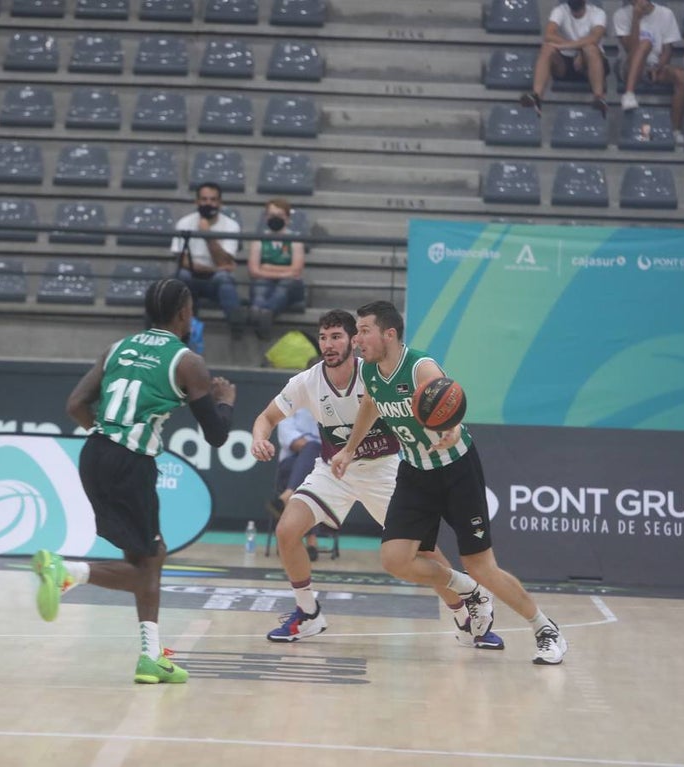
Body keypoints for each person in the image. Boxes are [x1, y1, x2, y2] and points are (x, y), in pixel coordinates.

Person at [328, 301, 567, 665]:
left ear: (389, 334)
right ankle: (468, 591)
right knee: (395, 559)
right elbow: (371, 405)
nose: (357, 339)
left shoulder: (420, 365)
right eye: (357, 331)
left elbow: (448, 402)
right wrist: (348, 450)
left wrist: (452, 430)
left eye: (364, 330)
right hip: (414, 473)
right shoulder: (372, 373)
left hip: (456, 469)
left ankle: (545, 628)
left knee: (483, 565)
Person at [250, 310, 503, 649]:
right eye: (323, 337)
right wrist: (259, 438)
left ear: (354, 340)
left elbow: (430, 395)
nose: (328, 344)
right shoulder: (306, 381)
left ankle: (466, 617)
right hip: (334, 470)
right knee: (286, 530)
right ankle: (308, 613)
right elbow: (266, 417)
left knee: (425, 554)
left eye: (336, 336)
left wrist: (449, 426)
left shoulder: (371, 372)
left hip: (384, 468)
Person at [34, 278, 237, 685]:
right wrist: (225, 402)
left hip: (94, 454)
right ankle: (66, 570)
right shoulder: (187, 362)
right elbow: (215, 435)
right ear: (183, 313)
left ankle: (150, 656)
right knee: (148, 564)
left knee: (148, 557)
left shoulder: (117, 348)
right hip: (130, 463)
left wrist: (111, 437)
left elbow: (75, 405)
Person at [171, 182, 244, 338]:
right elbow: (182, 261)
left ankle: (237, 328)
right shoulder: (184, 223)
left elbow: (224, 263)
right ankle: (184, 331)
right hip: (191, 277)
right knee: (182, 276)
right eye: (204, 199)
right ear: (197, 202)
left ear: (220, 202)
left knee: (224, 279)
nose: (208, 203)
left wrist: (207, 235)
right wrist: (214, 269)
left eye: (213, 199)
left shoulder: (231, 226)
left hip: (214, 282)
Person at [520, 0, 610, 118]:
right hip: (566, 63)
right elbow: (549, 35)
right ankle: (537, 96)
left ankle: (599, 98)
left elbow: (595, 38)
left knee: (591, 49)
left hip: (589, 64)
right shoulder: (560, 11)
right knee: (547, 48)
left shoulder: (598, 13)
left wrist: (576, 49)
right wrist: (576, 47)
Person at [614, 0, 684, 138]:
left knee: (681, 76)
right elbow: (631, 49)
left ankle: (675, 130)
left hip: (655, 66)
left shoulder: (666, 14)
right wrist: (636, 19)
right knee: (645, 44)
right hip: (628, 66)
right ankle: (629, 94)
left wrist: (658, 67)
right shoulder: (621, 15)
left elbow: (667, 50)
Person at [247, 198, 306, 341]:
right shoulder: (259, 240)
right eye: (271, 215)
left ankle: (267, 311)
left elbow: (296, 270)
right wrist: (284, 271)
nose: (275, 219)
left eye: (279, 215)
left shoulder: (294, 240)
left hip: (290, 287)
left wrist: (267, 267)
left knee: (284, 285)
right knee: (260, 285)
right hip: (266, 282)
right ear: (266, 217)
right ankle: (258, 310)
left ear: (287, 218)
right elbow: (253, 270)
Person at [270, 407, 323, 561]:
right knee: (312, 478)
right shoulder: (290, 404)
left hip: (321, 464)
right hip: (291, 462)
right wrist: (312, 448)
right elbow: (291, 441)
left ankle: (288, 496)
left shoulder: (328, 404)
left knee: (316, 475)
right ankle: (311, 542)